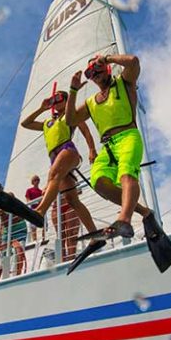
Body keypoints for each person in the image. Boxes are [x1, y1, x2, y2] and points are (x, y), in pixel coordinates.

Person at [65, 53, 153, 238]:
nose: (94, 73)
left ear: (105, 69)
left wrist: (107, 58)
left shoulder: (124, 82)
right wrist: (73, 91)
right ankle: (145, 212)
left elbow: (134, 62)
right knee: (99, 183)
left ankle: (124, 220)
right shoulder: (91, 102)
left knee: (127, 175)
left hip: (128, 135)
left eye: (97, 68)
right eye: (89, 72)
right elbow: (71, 119)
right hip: (107, 146)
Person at [20, 87, 101, 244]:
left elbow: (86, 132)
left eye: (58, 99)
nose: (55, 102)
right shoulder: (47, 123)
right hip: (55, 157)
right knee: (72, 200)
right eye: (53, 100)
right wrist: (41, 108)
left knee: (53, 175)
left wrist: (92, 150)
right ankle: (95, 235)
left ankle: (40, 211)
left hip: (68, 150)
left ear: (66, 101)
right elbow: (26, 123)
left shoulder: (71, 116)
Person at [24, 175, 43, 242]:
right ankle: (35, 241)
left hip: (41, 209)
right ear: (32, 182)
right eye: (35, 180)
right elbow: (28, 200)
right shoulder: (29, 190)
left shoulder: (41, 191)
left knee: (43, 224)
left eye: (38, 180)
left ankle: (43, 239)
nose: (37, 181)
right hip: (33, 210)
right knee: (33, 227)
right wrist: (35, 203)